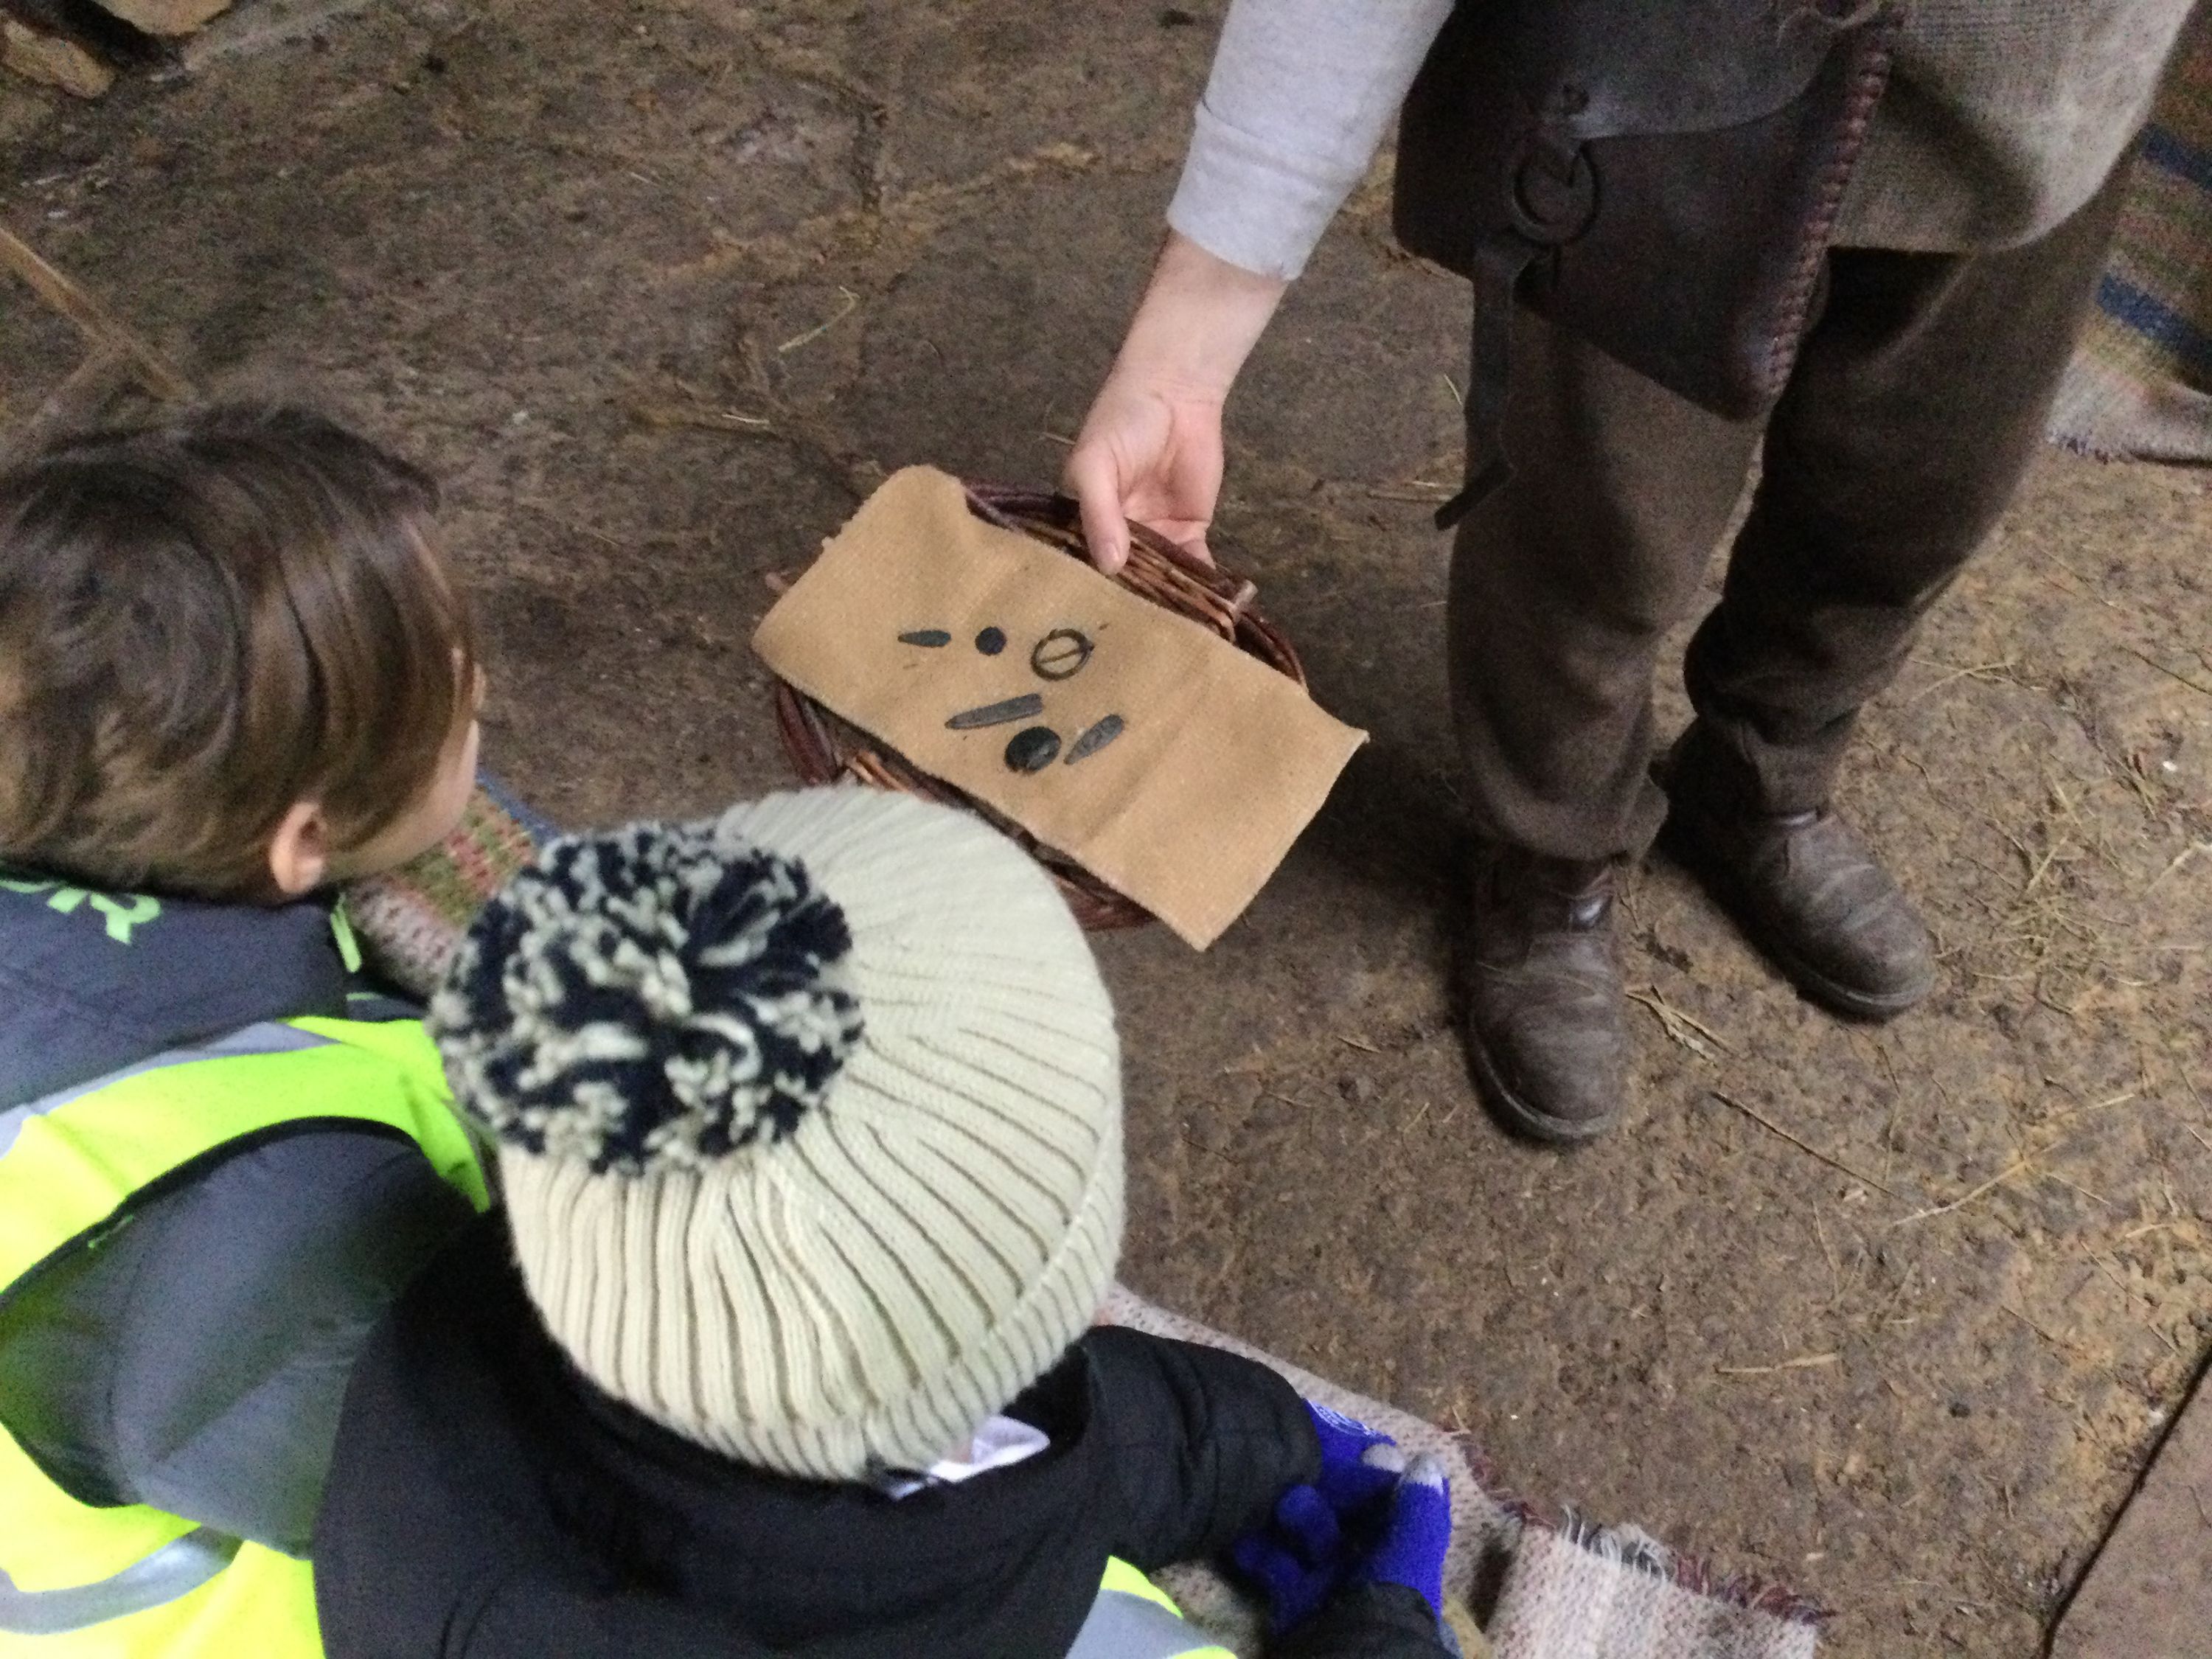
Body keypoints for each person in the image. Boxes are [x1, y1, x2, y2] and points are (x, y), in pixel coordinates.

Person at [1065, 1, 2197, 1141]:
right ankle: (1547, 855)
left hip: (2055, 109)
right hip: (1674, 89)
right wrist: (1190, 343)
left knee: (1917, 495)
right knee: (1591, 525)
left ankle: (1763, 770)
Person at [311, 788, 1457, 1659]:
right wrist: (1384, 1632)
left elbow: (1067, 1436)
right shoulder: (956, 1598)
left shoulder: (513, 1304)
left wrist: (1260, 1439)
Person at [0, 408, 493, 1656]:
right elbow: (515, 1499)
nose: (484, 688)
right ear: (303, 845)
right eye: (456, 669)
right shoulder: (267, 1235)